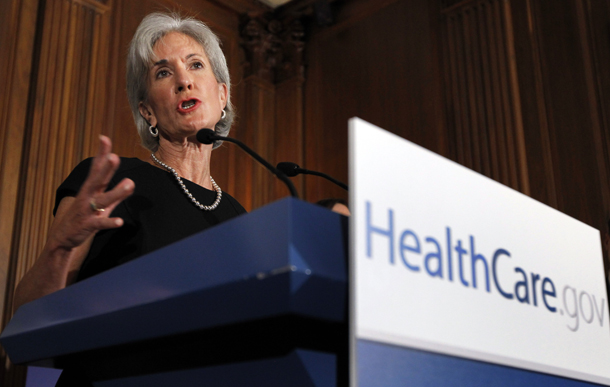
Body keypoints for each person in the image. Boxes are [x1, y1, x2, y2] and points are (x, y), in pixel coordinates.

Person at [14, 12, 246, 313]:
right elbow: (25, 317)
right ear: (147, 111)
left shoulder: (239, 217)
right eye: (163, 72)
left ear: (221, 95)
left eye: (196, 65)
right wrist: (58, 250)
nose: (184, 81)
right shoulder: (111, 184)